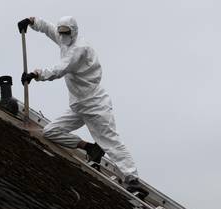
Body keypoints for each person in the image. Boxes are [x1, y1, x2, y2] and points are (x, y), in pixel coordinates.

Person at [18, 16, 141, 191]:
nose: (62, 36)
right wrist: (32, 21)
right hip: (78, 105)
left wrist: (37, 74)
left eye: (66, 33)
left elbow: (61, 69)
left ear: (73, 31)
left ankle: (132, 179)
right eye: (61, 33)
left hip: (95, 104)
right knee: (50, 131)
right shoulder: (64, 39)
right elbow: (49, 28)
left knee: (110, 140)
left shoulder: (79, 49)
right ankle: (91, 148)